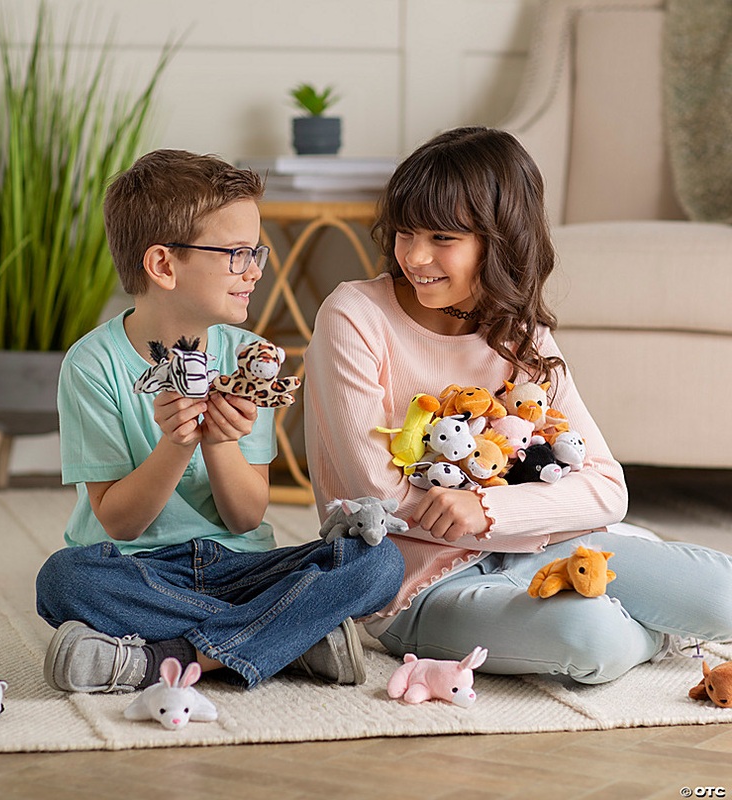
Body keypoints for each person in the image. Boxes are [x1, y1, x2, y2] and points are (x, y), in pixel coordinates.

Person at [303, 126, 732, 685]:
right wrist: (539, 511)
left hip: (552, 545)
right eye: (406, 233)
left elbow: (607, 487)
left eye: (442, 238)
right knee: (591, 638)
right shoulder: (354, 316)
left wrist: (489, 511)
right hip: (419, 582)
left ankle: (639, 615)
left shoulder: (519, 334)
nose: (415, 256)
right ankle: (653, 628)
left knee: (722, 595)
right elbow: (383, 497)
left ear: (499, 239)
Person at [36, 149, 403, 693]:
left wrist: (220, 441)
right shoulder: (93, 365)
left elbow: (245, 515)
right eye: (235, 253)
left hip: (241, 567)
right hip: (141, 569)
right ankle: (287, 638)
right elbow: (120, 523)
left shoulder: (250, 357)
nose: (254, 269)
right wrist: (177, 443)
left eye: (256, 251)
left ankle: (169, 656)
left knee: (378, 563)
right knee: (64, 581)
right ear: (162, 265)